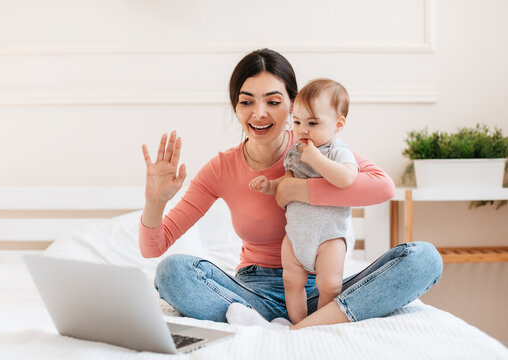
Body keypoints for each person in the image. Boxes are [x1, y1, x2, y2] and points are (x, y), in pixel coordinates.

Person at [139, 48, 443, 330]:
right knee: (172, 272)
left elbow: (382, 188)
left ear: (293, 104)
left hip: (324, 289)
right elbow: (153, 247)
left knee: (424, 259)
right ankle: (288, 321)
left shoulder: (317, 150)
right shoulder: (221, 168)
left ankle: (311, 324)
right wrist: (155, 201)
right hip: (251, 293)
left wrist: (297, 190)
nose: (259, 113)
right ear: (236, 106)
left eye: (273, 101)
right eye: (246, 102)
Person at [249, 78, 358, 325]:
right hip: (296, 236)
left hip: (328, 238)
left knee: (330, 284)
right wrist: (270, 186)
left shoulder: (337, 152)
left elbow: (347, 178)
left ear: (338, 124)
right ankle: (298, 323)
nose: (302, 130)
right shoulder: (294, 154)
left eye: (313, 123)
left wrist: (317, 160)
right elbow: (286, 186)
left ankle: (319, 323)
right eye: (297, 122)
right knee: (291, 281)